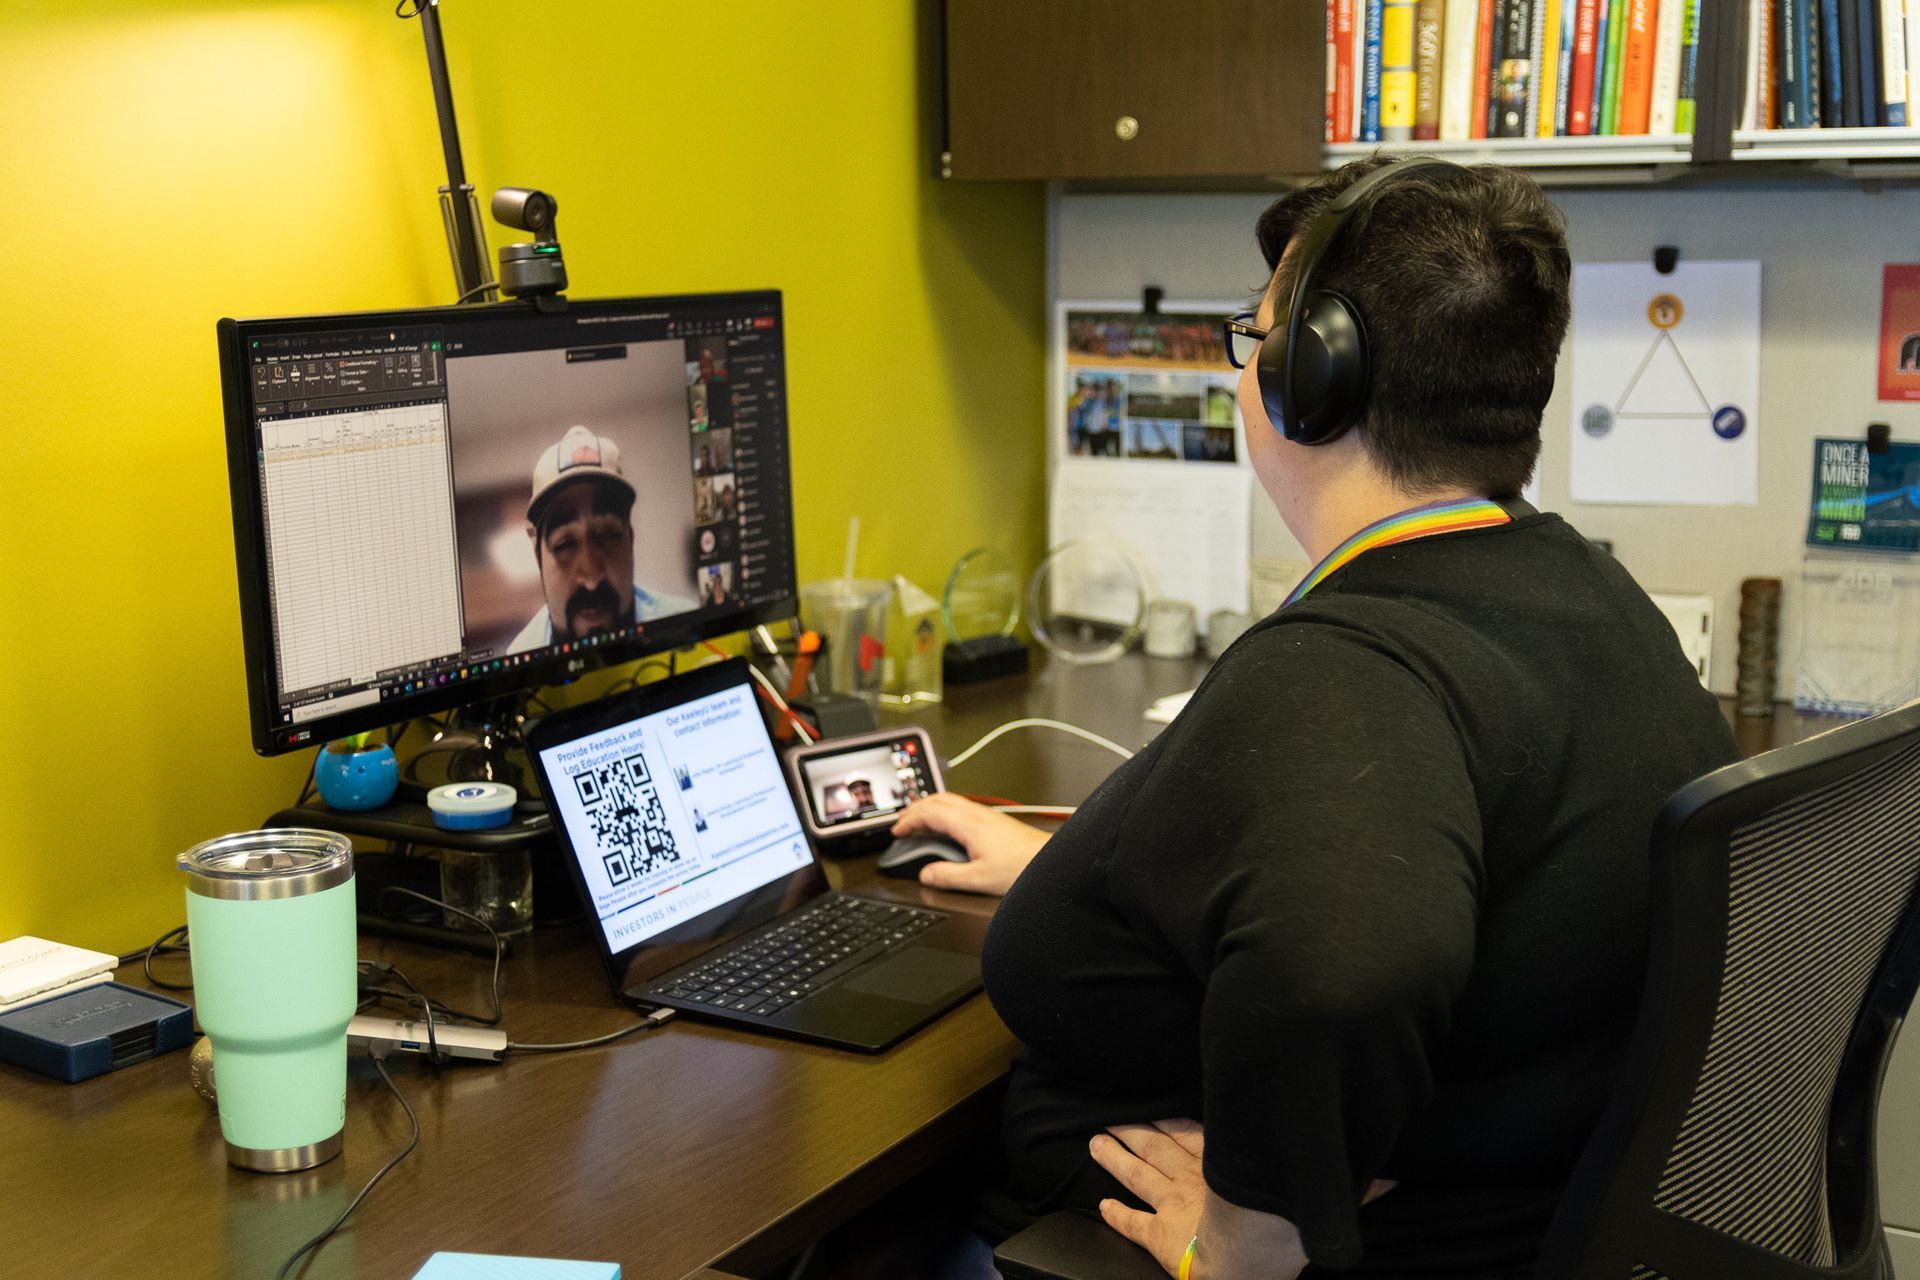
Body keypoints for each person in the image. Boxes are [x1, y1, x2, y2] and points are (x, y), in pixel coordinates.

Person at [890, 159, 1739, 1278]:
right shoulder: (1588, 594)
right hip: (1511, 1211)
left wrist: (1249, 1236)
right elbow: (1417, 857)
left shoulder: (1345, 665)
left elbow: (1345, 968)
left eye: (1258, 335)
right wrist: (1076, 873)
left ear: (1310, 381)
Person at [506, 426, 696, 654]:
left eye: (608, 535)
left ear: (630, 543)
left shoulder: (688, 630)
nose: (592, 579)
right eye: (565, 544)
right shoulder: (521, 657)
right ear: (538, 557)